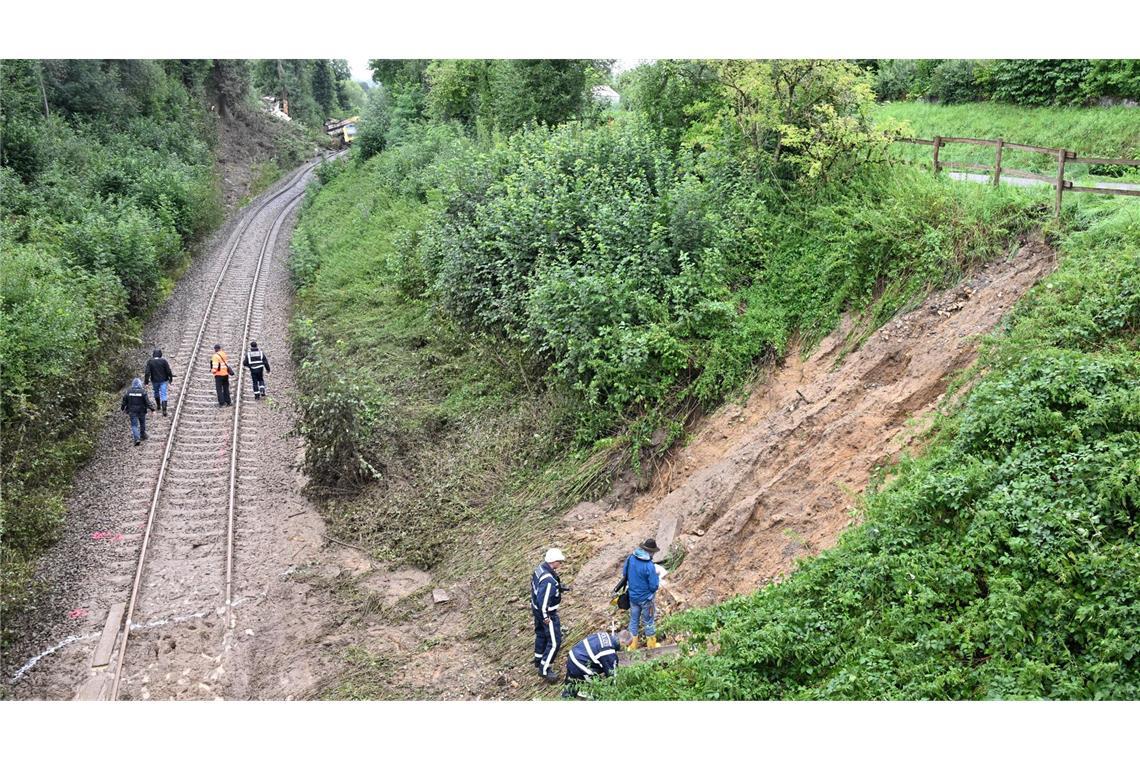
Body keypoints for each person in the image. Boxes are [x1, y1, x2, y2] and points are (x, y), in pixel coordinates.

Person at [614, 538, 661, 649]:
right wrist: (657, 576)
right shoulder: (649, 565)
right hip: (646, 599)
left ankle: (632, 646)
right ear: (651, 552)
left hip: (633, 598)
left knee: (634, 620)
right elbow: (654, 586)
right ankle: (652, 646)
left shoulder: (631, 558)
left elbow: (625, 573)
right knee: (648, 621)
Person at [531, 547, 568, 684]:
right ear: (554, 562)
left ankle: (538, 659)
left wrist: (558, 587)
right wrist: (546, 617)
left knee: (541, 634)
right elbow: (543, 600)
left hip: (536, 610)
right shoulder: (548, 581)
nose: (560, 564)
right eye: (559, 561)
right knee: (555, 641)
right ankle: (545, 669)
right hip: (547, 613)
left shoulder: (539, 569)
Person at [561, 630, 633, 699]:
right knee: (599, 688)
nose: (625, 648)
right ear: (622, 642)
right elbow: (613, 676)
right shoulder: (609, 652)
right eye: (626, 646)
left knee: (570, 685)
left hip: (573, 656)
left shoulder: (605, 635)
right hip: (580, 664)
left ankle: (566, 697)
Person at [120, 378, 155, 446]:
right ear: (140, 384)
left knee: (134, 425)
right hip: (142, 410)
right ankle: (142, 434)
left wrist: (122, 408)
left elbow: (124, 401)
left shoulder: (128, 392)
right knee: (142, 423)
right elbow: (147, 401)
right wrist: (152, 409)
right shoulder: (143, 392)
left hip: (132, 411)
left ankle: (137, 439)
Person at [143, 348, 175, 416]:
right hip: (163, 380)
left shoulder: (150, 361)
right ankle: (164, 409)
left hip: (155, 381)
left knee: (156, 392)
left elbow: (147, 372)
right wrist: (170, 378)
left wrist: (146, 382)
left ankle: (158, 406)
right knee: (163, 394)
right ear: (160, 354)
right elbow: (168, 370)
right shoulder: (164, 361)